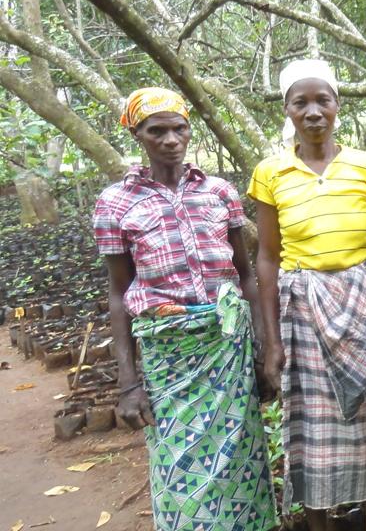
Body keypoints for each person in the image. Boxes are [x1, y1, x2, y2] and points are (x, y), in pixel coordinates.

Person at [94, 87, 277, 531]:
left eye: (180, 128)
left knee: (241, 458)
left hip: (227, 349)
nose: (171, 139)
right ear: (137, 134)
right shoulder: (115, 203)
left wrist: (260, 350)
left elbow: (246, 275)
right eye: (158, 131)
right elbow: (120, 294)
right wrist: (128, 384)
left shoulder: (219, 192)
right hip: (168, 354)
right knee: (179, 462)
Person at [247, 59, 366, 531]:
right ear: (287, 110)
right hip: (302, 310)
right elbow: (267, 257)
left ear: (338, 105)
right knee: (307, 431)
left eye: (322, 100)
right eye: (300, 102)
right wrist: (271, 342)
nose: (313, 112)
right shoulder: (271, 172)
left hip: (361, 306)